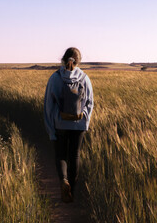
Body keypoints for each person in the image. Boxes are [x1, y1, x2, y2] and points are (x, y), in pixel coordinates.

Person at [44, 47, 94, 203]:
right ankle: (71, 189)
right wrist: (84, 121)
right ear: (78, 61)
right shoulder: (84, 78)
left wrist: (51, 128)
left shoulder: (55, 78)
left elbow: (48, 106)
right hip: (78, 124)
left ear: (64, 59)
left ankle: (63, 180)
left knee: (61, 155)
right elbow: (89, 103)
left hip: (60, 124)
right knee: (74, 155)